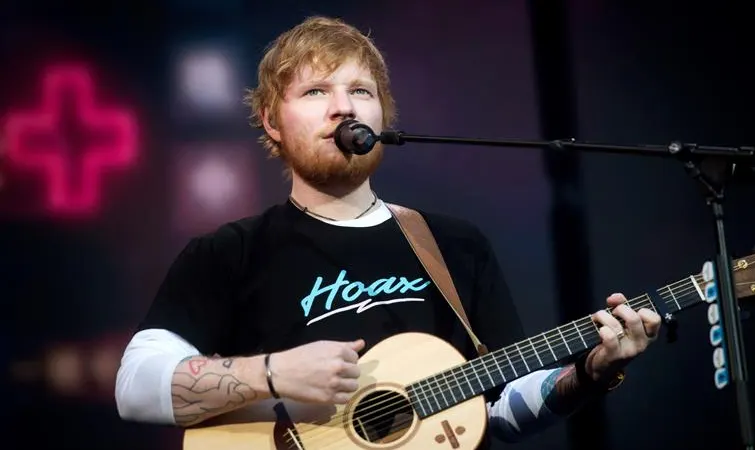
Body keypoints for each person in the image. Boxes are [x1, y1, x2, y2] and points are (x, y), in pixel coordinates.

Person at [114, 15, 661, 448]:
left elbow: (500, 411)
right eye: (315, 93)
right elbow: (135, 387)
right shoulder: (228, 252)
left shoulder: (453, 245)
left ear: (382, 118)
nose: (343, 107)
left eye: (361, 91)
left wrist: (589, 373)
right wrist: (273, 373)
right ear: (271, 122)